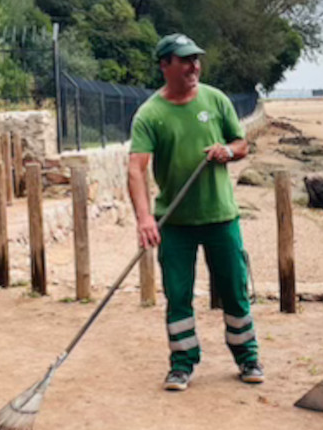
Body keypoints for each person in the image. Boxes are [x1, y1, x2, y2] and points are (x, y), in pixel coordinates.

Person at [127, 33, 263, 391]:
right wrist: (144, 218)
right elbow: (136, 169)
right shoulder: (150, 115)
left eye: (196, 59)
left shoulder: (215, 99)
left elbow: (242, 143)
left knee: (234, 290)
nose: (194, 66)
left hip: (221, 218)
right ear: (164, 65)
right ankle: (182, 364)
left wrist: (228, 153)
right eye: (185, 60)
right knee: (178, 294)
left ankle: (248, 357)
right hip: (175, 223)